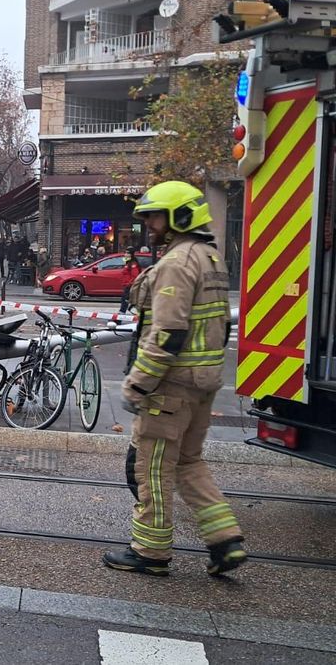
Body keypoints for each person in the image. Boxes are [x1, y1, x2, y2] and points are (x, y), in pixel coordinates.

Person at [104, 181, 245, 578]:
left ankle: (150, 551)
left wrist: (137, 384)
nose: (149, 224)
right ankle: (226, 540)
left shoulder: (177, 263)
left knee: (152, 470)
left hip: (170, 388)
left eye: (154, 215)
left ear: (179, 216)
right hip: (201, 384)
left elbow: (167, 333)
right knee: (189, 462)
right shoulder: (212, 259)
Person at [118, 246, 140, 314]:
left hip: (129, 286)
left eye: (127, 253)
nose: (125, 254)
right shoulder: (128, 263)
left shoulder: (133, 264)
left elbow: (135, 276)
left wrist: (129, 284)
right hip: (127, 285)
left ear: (131, 254)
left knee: (125, 301)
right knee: (126, 301)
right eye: (125, 253)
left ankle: (120, 316)